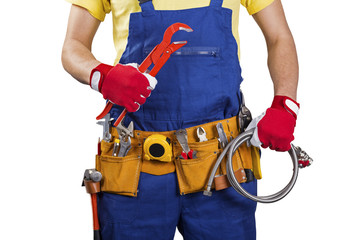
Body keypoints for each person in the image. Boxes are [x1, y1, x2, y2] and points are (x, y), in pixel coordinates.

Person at [62, 0, 300, 239]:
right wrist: (102, 77)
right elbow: (73, 46)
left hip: (221, 165)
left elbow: (279, 36)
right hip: (134, 165)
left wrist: (285, 105)